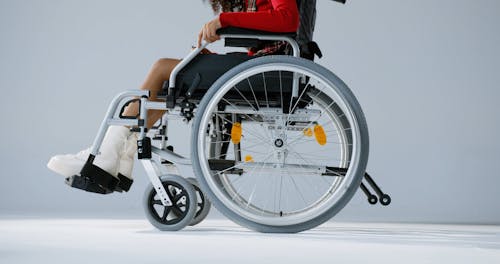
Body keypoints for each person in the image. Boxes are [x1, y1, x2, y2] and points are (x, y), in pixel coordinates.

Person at [47, 0, 299, 186]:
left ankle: (107, 154)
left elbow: (287, 18)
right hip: (260, 66)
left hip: (269, 69)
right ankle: (118, 156)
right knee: (171, 78)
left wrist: (226, 21)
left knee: (162, 68)